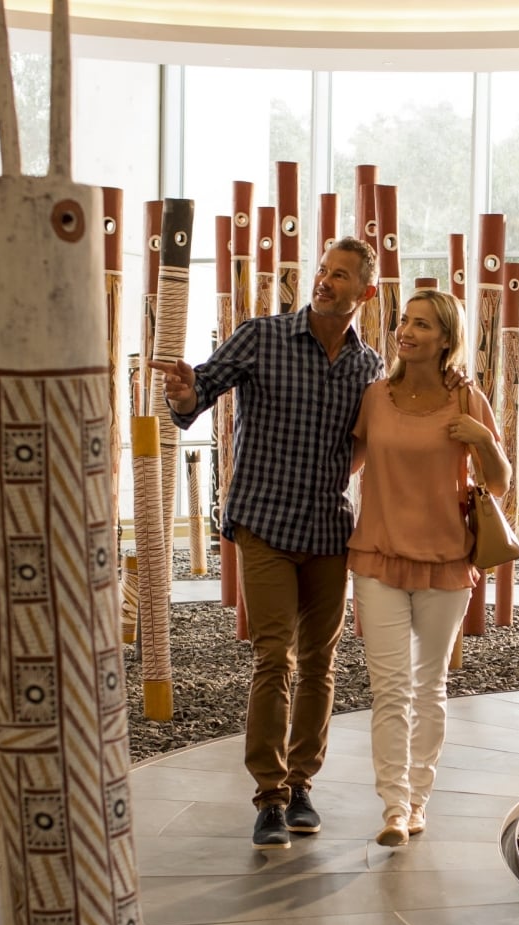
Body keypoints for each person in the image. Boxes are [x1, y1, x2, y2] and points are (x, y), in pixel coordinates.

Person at [150, 237, 383, 851]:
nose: (325, 282)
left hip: (330, 531)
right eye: (322, 272)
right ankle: (270, 796)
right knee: (274, 655)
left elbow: (370, 440)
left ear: (366, 291)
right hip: (265, 526)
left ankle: (303, 783)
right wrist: (182, 393)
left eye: (340, 276)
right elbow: (199, 388)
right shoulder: (262, 336)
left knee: (320, 665)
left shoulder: (370, 366)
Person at [347, 289, 512, 847]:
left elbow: (498, 481)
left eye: (421, 324)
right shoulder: (375, 397)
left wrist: (482, 439)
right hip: (377, 556)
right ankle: (394, 807)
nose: (407, 331)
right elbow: (347, 463)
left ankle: (419, 799)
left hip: (446, 560)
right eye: (403, 321)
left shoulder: (466, 400)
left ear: (445, 338)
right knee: (390, 689)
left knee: (429, 685)